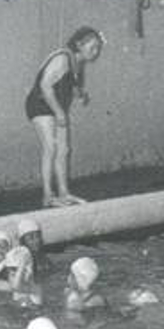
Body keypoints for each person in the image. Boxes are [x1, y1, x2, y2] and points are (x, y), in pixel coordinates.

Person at [25, 26, 105, 208]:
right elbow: (45, 85)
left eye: (98, 48)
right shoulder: (62, 59)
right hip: (40, 104)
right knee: (51, 147)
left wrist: (81, 94)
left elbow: (73, 87)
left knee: (64, 150)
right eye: (92, 47)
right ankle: (47, 196)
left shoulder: (78, 64)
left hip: (55, 106)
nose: (95, 52)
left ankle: (64, 193)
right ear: (79, 45)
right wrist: (59, 112)